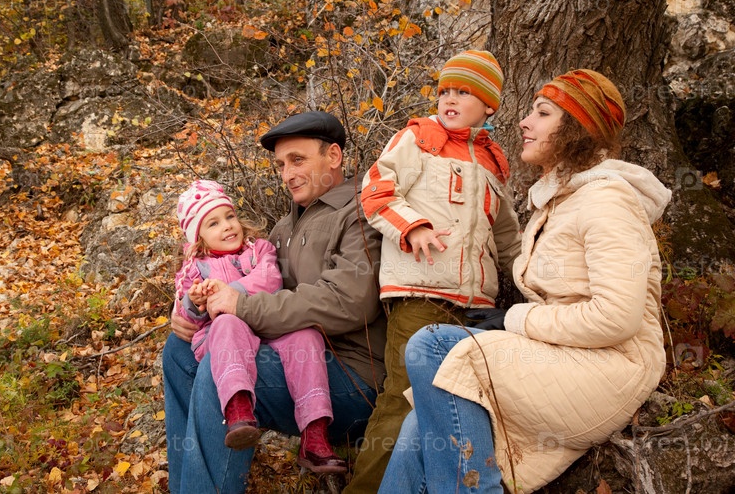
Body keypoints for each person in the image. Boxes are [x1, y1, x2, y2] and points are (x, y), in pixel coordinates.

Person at [378, 69, 672, 493]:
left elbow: (616, 318)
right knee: (419, 419)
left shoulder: (607, 200)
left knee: (435, 346)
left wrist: (513, 319)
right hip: (567, 358)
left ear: (577, 128)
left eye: (543, 113)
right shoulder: (561, 202)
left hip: (613, 368)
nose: (524, 122)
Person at [161, 111, 387, 493]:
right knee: (177, 352)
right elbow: (239, 272)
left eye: (297, 160)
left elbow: (350, 302)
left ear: (333, 156)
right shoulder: (285, 227)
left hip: (351, 375)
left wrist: (239, 305)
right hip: (295, 356)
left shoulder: (359, 213)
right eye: (281, 164)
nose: (287, 174)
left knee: (219, 368)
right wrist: (190, 305)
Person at [347, 49, 521, 492]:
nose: (450, 99)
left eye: (464, 92)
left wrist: (529, 277)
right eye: (444, 91)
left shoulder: (494, 160)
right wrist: (413, 226)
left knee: (456, 405)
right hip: (419, 294)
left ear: (488, 106)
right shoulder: (418, 138)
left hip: (476, 308)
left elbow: (505, 234)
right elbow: (377, 190)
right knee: (403, 399)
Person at [171, 179, 346, 472]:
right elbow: (186, 317)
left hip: (269, 324)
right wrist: (193, 302)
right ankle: (238, 409)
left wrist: (231, 291)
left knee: (306, 335)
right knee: (227, 322)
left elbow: (271, 280)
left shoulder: (259, 250)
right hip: (226, 335)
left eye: (229, 216)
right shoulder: (195, 268)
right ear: (198, 238)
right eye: (213, 223)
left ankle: (315, 434)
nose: (227, 226)